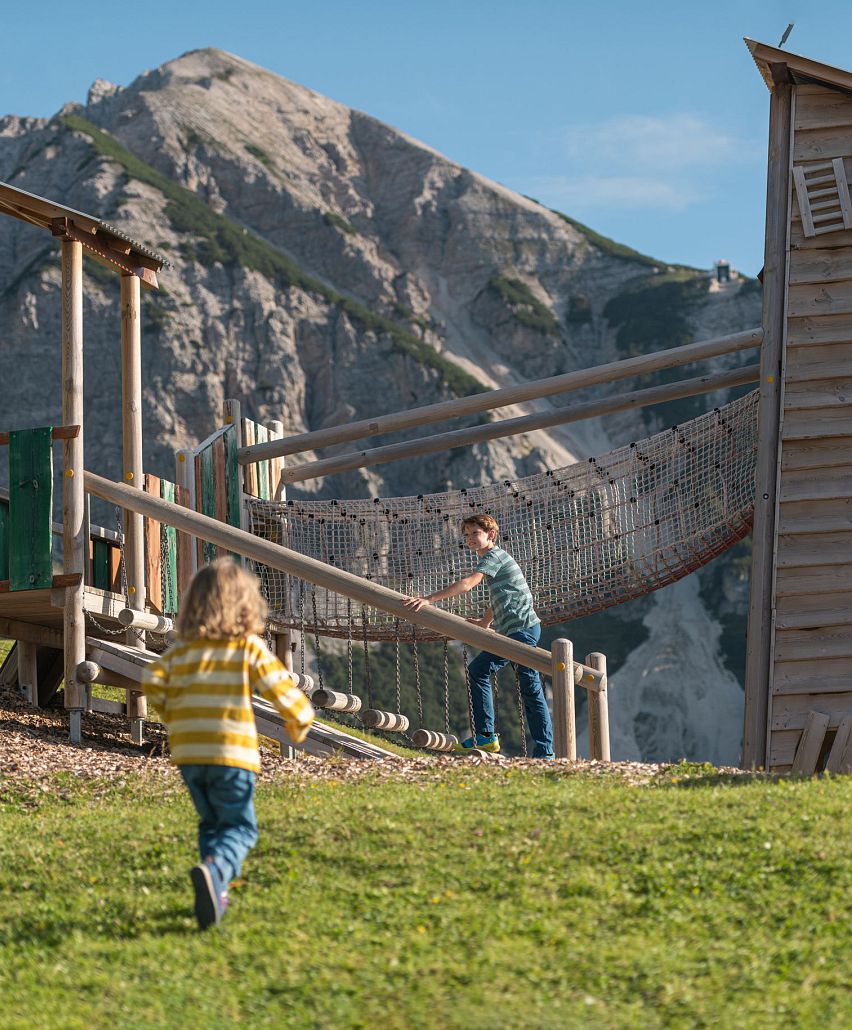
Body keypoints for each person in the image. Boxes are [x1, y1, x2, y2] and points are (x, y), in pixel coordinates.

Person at [143, 557, 315, 929]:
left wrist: (173, 715)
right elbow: (280, 686)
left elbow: (153, 681)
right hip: (232, 756)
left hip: (189, 756)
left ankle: (214, 891)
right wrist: (300, 720)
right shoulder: (247, 648)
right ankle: (218, 869)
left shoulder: (180, 652)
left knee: (211, 825)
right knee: (239, 828)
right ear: (245, 605)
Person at [404, 514, 554, 758]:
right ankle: (491, 737)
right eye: (466, 534)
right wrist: (485, 622)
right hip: (516, 630)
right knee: (491, 674)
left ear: (490, 535)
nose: (470, 538)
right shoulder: (496, 559)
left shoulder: (494, 556)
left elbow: (467, 584)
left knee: (524, 684)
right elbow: (504, 595)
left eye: (475, 533)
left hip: (522, 629)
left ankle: (540, 750)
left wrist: (428, 600)